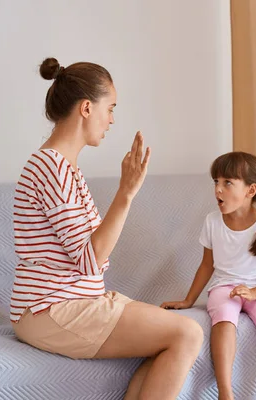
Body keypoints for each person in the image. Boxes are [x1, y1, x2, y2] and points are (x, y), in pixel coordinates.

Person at [11, 57, 203, 400]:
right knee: (187, 333)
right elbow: (91, 258)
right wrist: (126, 193)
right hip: (52, 309)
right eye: (110, 108)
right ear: (87, 108)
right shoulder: (52, 168)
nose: (112, 120)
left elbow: (89, 256)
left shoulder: (62, 166)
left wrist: (125, 192)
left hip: (68, 302)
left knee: (176, 334)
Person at [161, 152, 256, 400]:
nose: (218, 190)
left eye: (227, 183)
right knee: (223, 320)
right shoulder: (212, 222)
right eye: (216, 182)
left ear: (250, 190)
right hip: (225, 288)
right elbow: (206, 266)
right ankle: (225, 394)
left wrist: (253, 293)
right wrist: (188, 300)